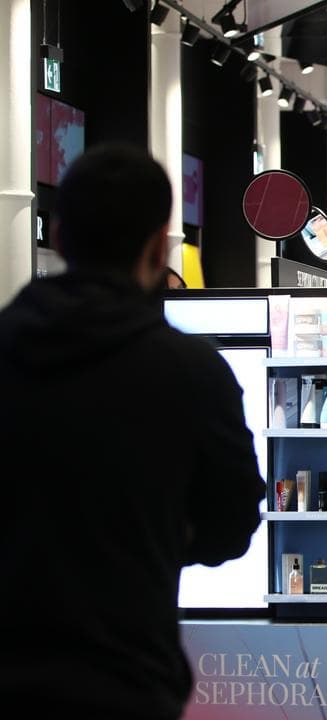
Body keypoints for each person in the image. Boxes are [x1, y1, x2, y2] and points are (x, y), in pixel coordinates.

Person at [0, 144, 265, 719]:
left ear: (59, 236)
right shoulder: (192, 371)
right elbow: (231, 527)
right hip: (126, 679)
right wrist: (151, 535)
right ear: (156, 245)